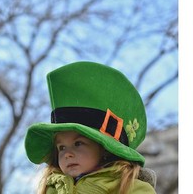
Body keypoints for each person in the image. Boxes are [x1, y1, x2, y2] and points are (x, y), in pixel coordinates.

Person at [25, 61, 156, 194]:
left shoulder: (130, 187)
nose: (67, 154)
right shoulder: (51, 189)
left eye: (78, 143)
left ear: (104, 149)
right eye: (61, 148)